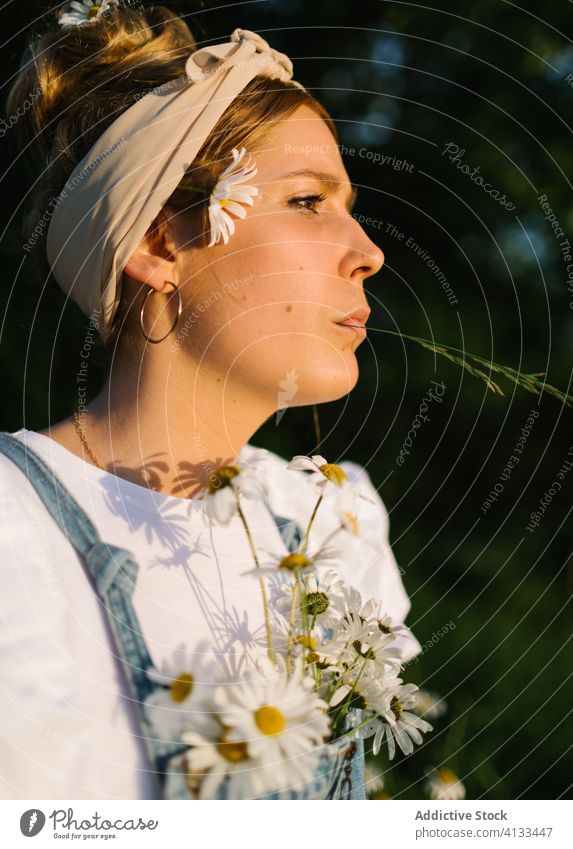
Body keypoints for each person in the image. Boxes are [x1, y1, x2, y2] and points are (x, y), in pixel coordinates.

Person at [0, 2, 422, 800]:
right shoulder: (14, 529)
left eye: (351, 209)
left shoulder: (334, 522)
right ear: (160, 245)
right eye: (307, 201)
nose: (367, 253)